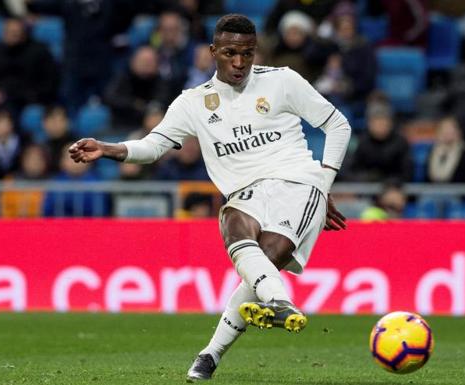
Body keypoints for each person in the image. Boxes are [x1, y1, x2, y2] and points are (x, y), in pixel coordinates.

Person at [68, 14, 350, 381]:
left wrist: (322, 186)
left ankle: (213, 352)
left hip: (296, 182)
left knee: (266, 260)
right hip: (244, 192)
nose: (239, 63)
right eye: (230, 53)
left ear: (256, 53)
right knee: (235, 224)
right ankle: (274, 306)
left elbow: (338, 125)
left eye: (247, 54)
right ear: (213, 52)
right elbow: (153, 146)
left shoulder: (282, 81)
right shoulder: (193, 103)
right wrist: (107, 147)